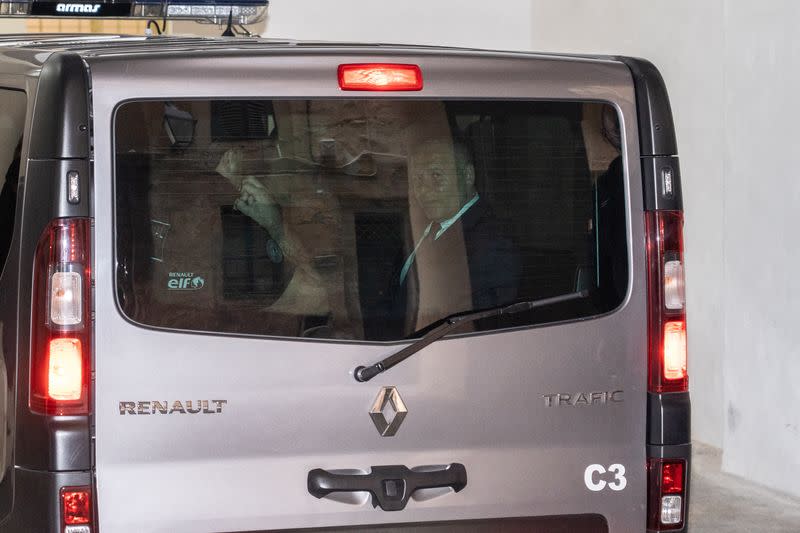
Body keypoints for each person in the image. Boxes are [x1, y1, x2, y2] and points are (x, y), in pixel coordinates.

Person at [400, 138, 520, 323]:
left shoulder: (493, 244)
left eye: (436, 175)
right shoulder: (421, 229)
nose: (424, 190)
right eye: (418, 179)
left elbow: (480, 327)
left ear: (468, 175)